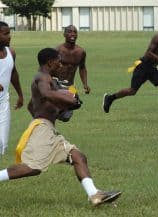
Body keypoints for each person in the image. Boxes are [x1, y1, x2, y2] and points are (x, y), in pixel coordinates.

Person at [0, 48, 121, 206]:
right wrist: (68, 98)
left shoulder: (49, 78)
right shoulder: (42, 77)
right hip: (42, 128)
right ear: (50, 62)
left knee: (78, 156)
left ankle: (94, 195)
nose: (61, 64)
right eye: (59, 61)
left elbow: (32, 106)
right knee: (32, 168)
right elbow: (47, 94)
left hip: (47, 127)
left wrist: (60, 110)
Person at [102, 19, 158, 123]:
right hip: (143, 65)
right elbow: (148, 53)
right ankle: (110, 98)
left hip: (154, 67)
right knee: (132, 91)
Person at [55, 25, 90, 121]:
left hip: (70, 85)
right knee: (59, 106)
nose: (73, 34)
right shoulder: (58, 50)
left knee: (70, 111)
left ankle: (55, 111)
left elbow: (82, 68)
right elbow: (48, 67)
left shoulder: (81, 52)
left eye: (75, 32)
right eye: (70, 32)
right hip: (56, 83)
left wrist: (85, 84)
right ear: (64, 34)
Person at [0, 21, 24, 155]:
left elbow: (13, 73)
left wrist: (20, 95)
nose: (9, 36)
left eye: (9, 33)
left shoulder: (11, 53)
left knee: (2, 143)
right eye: (6, 34)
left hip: (3, 103)